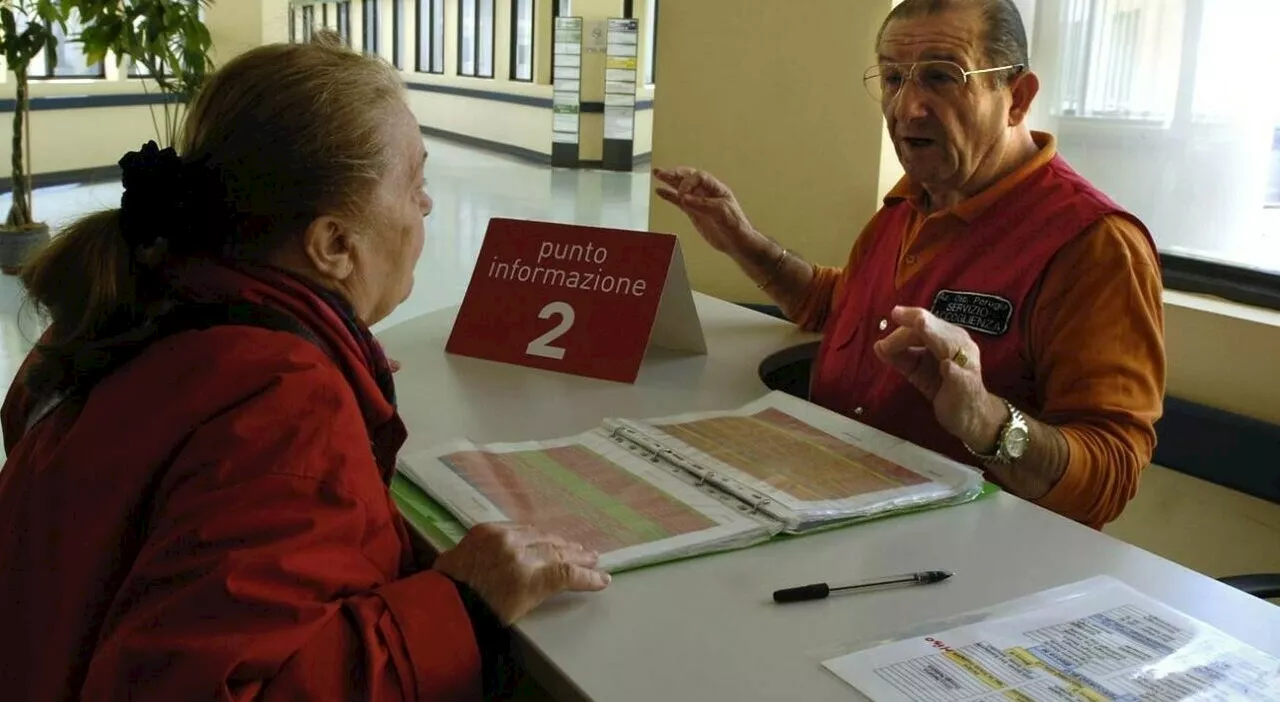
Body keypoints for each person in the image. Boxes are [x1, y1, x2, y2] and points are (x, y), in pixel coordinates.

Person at [0, 33, 608, 701]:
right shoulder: (280, 403)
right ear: (334, 245)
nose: (428, 206)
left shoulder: (116, 314)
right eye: (415, 184)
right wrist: (462, 604)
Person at [655, 0, 1165, 530]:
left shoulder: (1094, 245)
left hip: (962, 561)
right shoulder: (910, 203)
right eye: (893, 78)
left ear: (1017, 98)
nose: (908, 107)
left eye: (942, 77)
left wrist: (985, 421)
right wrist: (742, 240)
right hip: (832, 513)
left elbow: (1109, 477)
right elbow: (841, 308)